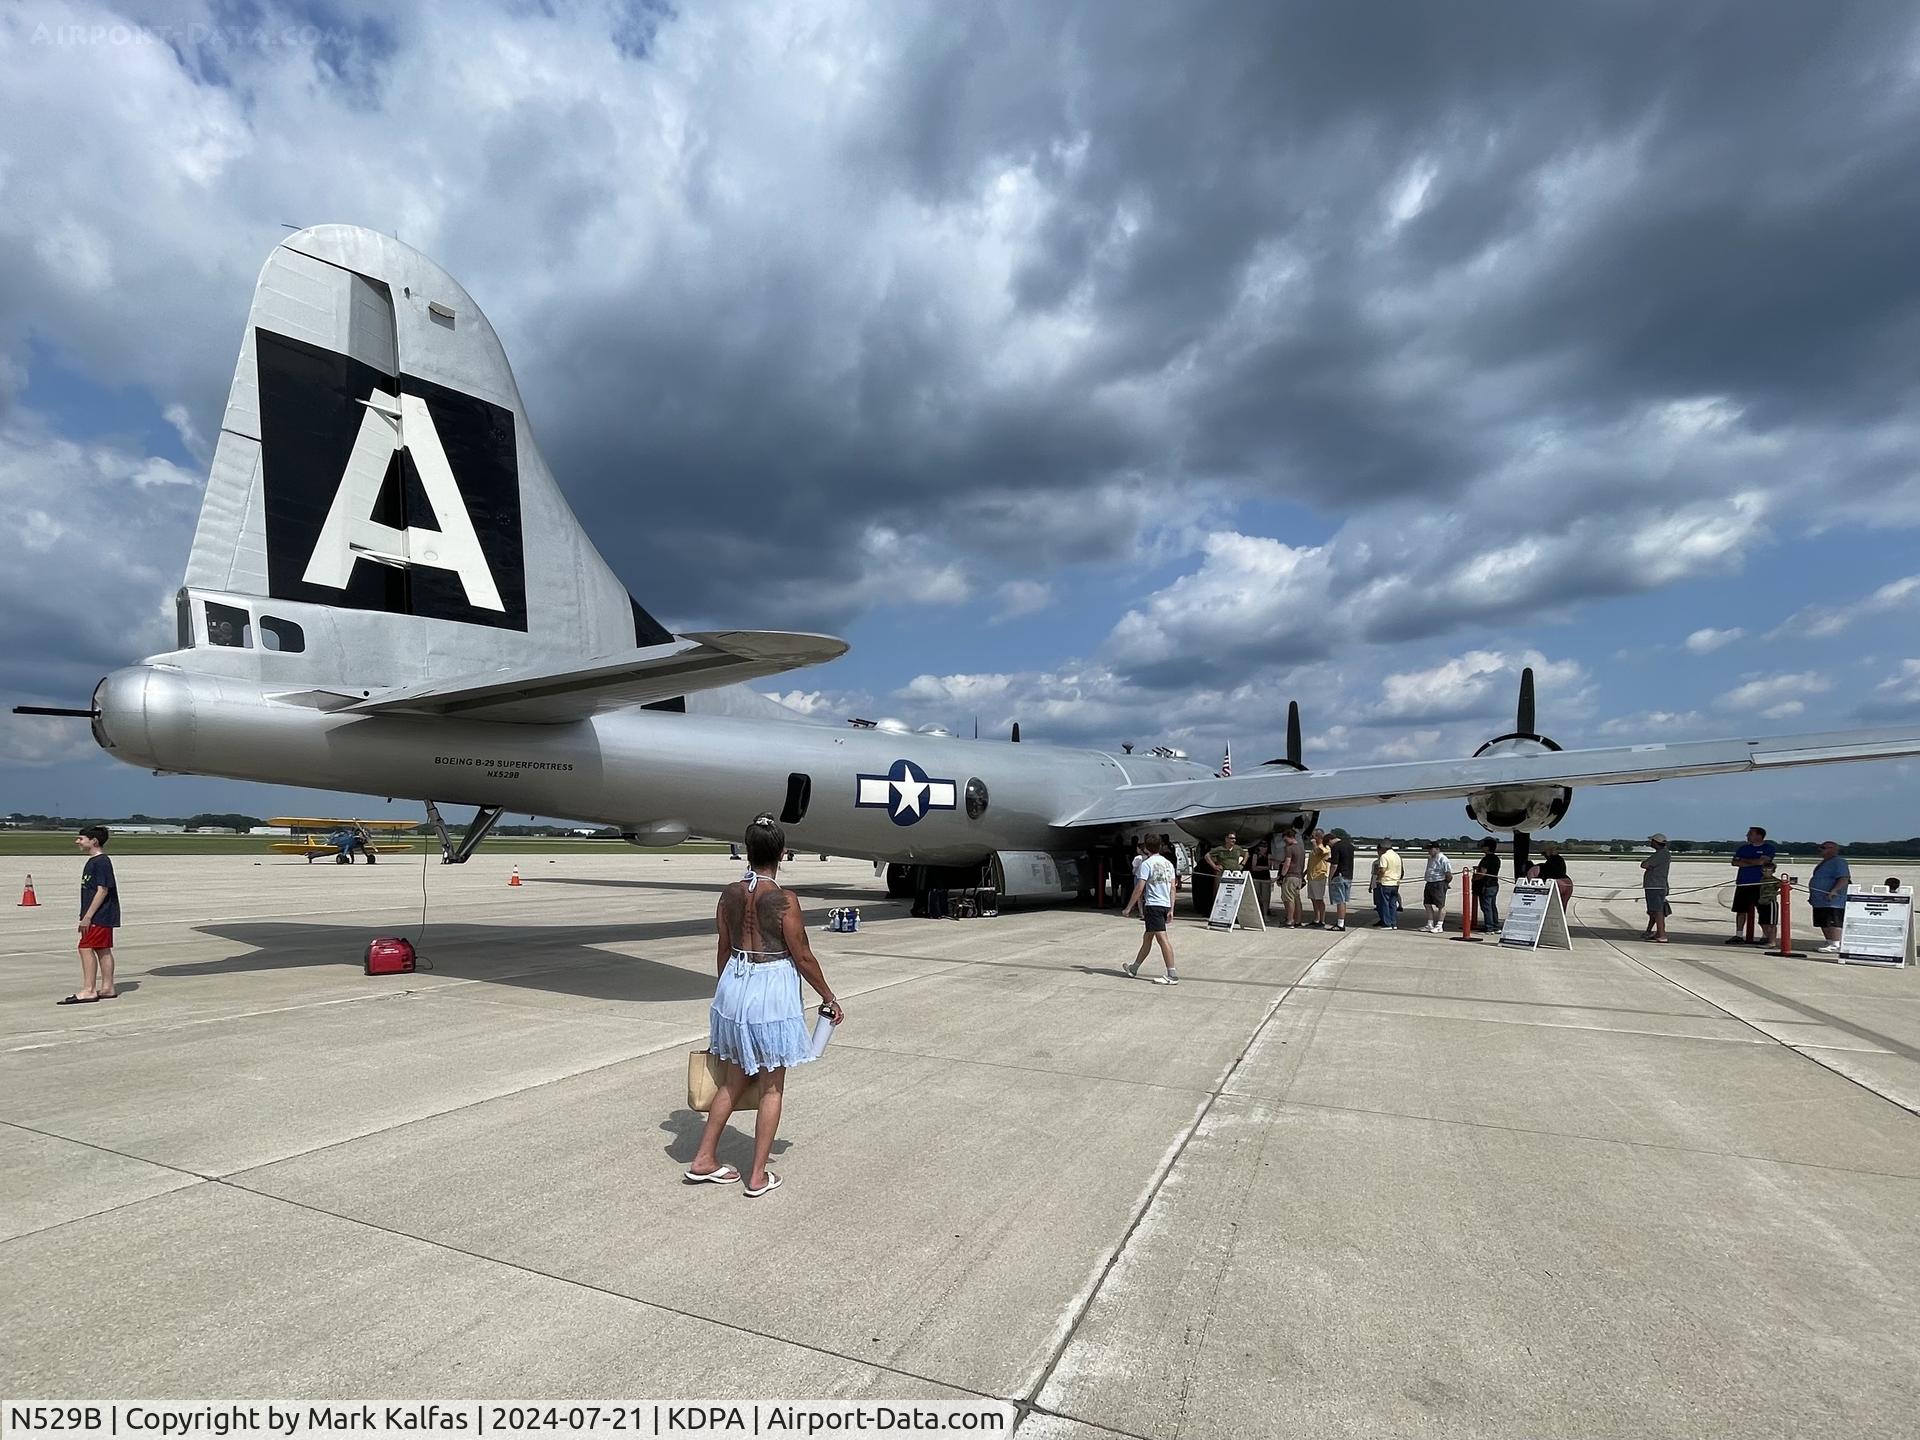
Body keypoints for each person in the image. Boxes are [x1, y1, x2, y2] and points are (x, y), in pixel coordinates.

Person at [686, 815, 842, 1196]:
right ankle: (757, 1176)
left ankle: (704, 1158)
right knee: (772, 1087)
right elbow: (802, 956)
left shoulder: (729, 894)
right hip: (771, 991)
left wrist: (728, 996)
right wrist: (829, 996)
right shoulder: (784, 900)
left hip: (735, 987)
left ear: (746, 850)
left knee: (735, 1079)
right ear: (782, 854)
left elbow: (724, 949)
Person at [61, 825, 119, 1004]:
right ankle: (108, 988)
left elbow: (102, 890)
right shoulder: (94, 861)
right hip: (101, 914)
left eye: (81, 838)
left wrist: (87, 916)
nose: (77, 841)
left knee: (85, 947)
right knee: (102, 949)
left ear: (93, 841)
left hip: (98, 915)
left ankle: (89, 990)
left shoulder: (101, 862)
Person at [1123, 837, 1179, 985]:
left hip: (1153, 904)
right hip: (1165, 904)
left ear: (1146, 848)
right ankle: (1134, 968)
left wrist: (1129, 907)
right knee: (1147, 938)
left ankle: (1172, 974)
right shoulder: (1168, 864)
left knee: (1162, 938)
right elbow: (1173, 887)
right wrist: (1171, 908)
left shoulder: (1146, 864)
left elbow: (1139, 888)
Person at [1727, 825, 1777, 947]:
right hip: (1743, 883)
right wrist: (1754, 862)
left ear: (1759, 836)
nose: (1747, 836)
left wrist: (1745, 861)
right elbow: (1734, 862)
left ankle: (1766, 936)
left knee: (1763, 910)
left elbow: (1762, 862)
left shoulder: (1768, 848)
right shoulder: (1743, 848)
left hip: (1760, 884)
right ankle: (1739, 935)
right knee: (1740, 910)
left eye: (1750, 834)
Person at [1807, 841, 1851, 954]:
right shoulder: (1824, 862)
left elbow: (1843, 878)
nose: (1820, 850)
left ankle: (1836, 943)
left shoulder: (1839, 862)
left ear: (1833, 849)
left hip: (1832, 900)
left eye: (1823, 848)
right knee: (1823, 921)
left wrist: (1834, 890)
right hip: (1820, 900)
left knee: (1833, 921)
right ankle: (1829, 941)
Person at [1641, 834, 1673, 943]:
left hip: (1655, 886)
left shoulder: (1662, 854)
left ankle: (1662, 934)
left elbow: (1645, 865)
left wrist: (1647, 865)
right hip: (1655, 885)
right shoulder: (1662, 853)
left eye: (1652, 841)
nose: (1650, 843)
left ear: (1656, 842)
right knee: (1654, 911)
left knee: (1657, 911)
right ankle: (1658, 933)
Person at [1327, 830, 1356, 932]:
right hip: (1349, 875)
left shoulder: (1336, 847)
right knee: (1344, 900)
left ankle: (1340, 923)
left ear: (1330, 840)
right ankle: (1341, 922)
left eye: (1328, 845)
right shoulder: (1349, 845)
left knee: (1340, 901)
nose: (1329, 847)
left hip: (1339, 876)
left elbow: (1334, 865)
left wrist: (1330, 878)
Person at [1371, 840, 1403, 929]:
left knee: (1384, 904)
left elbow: (1383, 870)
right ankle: (1394, 923)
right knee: (1393, 904)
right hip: (1395, 883)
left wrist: (1378, 878)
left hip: (1386, 882)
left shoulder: (1384, 856)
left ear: (1383, 848)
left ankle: (1387, 923)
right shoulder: (1397, 856)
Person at [1473, 837, 1502, 934]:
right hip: (1494, 884)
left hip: (1486, 885)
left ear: (1487, 847)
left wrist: (1474, 878)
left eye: (1484, 846)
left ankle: (1489, 927)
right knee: (1492, 906)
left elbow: (1483, 873)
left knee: (1486, 907)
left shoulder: (1486, 859)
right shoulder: (1496, 858)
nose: (1482, 848)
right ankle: (1496, 926)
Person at [1422, 842, 1452, 934]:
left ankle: (1439, 925)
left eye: (1431, 849)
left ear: (1437, 849)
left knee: (1440, 905)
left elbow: (1448, 874)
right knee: (1427, 904)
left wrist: (1445, 883)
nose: (1429, 851)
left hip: (1439, 883)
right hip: (1429, 882)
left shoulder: (1443, 859)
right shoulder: (1430, 858)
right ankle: (1430, 924)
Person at [1278, 826, 1305, 927]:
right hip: (1298, 876)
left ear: (1289, 837)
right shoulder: (1301, 848)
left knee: (1289, 899)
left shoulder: (1289, 848)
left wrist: (1282, 875)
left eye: (1285, 839)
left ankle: (1290, 920)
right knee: (1297, 899)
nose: (1285, 842)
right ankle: (1298, 920)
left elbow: (1287, 863)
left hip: (1290, 876)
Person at [1532, 841, 1571, 909]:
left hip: (1558, 883)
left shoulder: (1550, 862)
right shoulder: (1559, 859)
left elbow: (1548, 873)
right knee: (1562, 907)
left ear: (1549, 851)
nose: (1544, 856)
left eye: (1544, 853)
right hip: (1567, 882)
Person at [1307, 829, 1332, 927]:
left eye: (1314, 836)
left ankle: (1322, 920)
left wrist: (1314, 844)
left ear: (1319, 837)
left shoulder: (1325, 847)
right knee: (1313, 898)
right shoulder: (1314, 849)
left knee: (1319, 899)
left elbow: (1319, 852)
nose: (1312, 838)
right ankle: (1316, 918)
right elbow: (1311, 862)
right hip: (1311, 875)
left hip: (1319, 876)